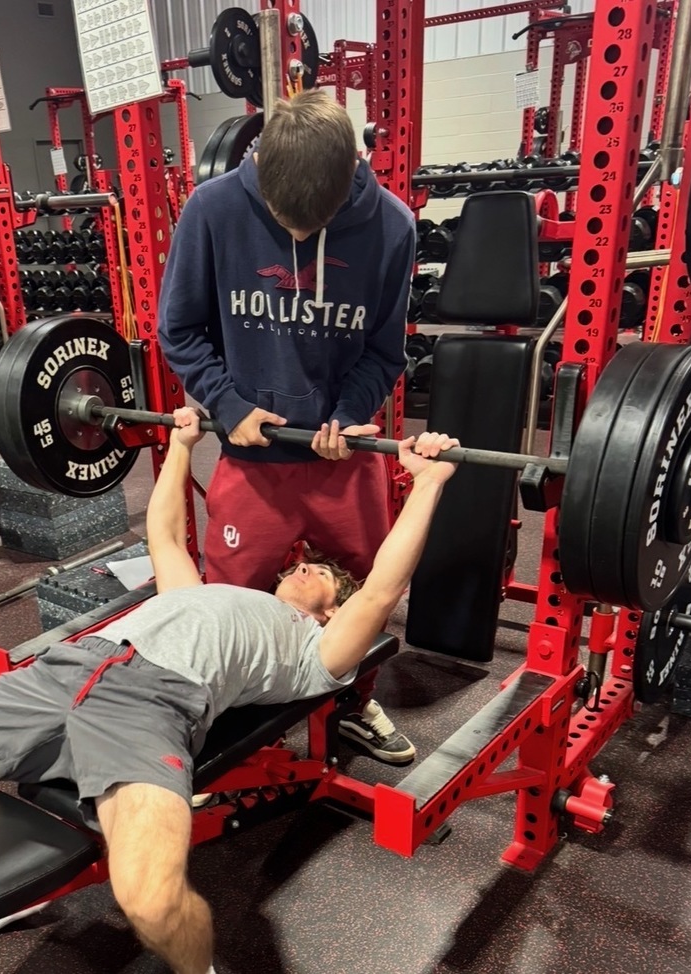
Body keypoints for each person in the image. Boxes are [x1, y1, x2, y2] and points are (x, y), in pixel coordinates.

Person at [0, 411, 458, 974]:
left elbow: (381, 592)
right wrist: (182, 444)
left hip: (152, 702)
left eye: (322, 575)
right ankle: (22, 885)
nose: (305, 565)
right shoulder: (205, 591)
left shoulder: (317, 650)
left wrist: (427, 483)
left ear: (333, 610)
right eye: (304, 564)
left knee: (153, 902)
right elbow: (163, 534)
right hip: (64, 670)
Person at [158, 88, 417, 763]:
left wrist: (349, 410)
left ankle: (356, 704)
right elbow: (179, 330)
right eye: (282, 221)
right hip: (253, 455)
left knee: (361, 587)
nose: (299, 237)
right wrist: (227, 403)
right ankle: (217, 717)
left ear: (351, 175)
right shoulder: (212, 211)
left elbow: (386, 350)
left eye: (315, 223)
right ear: (260, 172)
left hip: (344, 457)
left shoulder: (392, 227)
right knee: (227, 598)